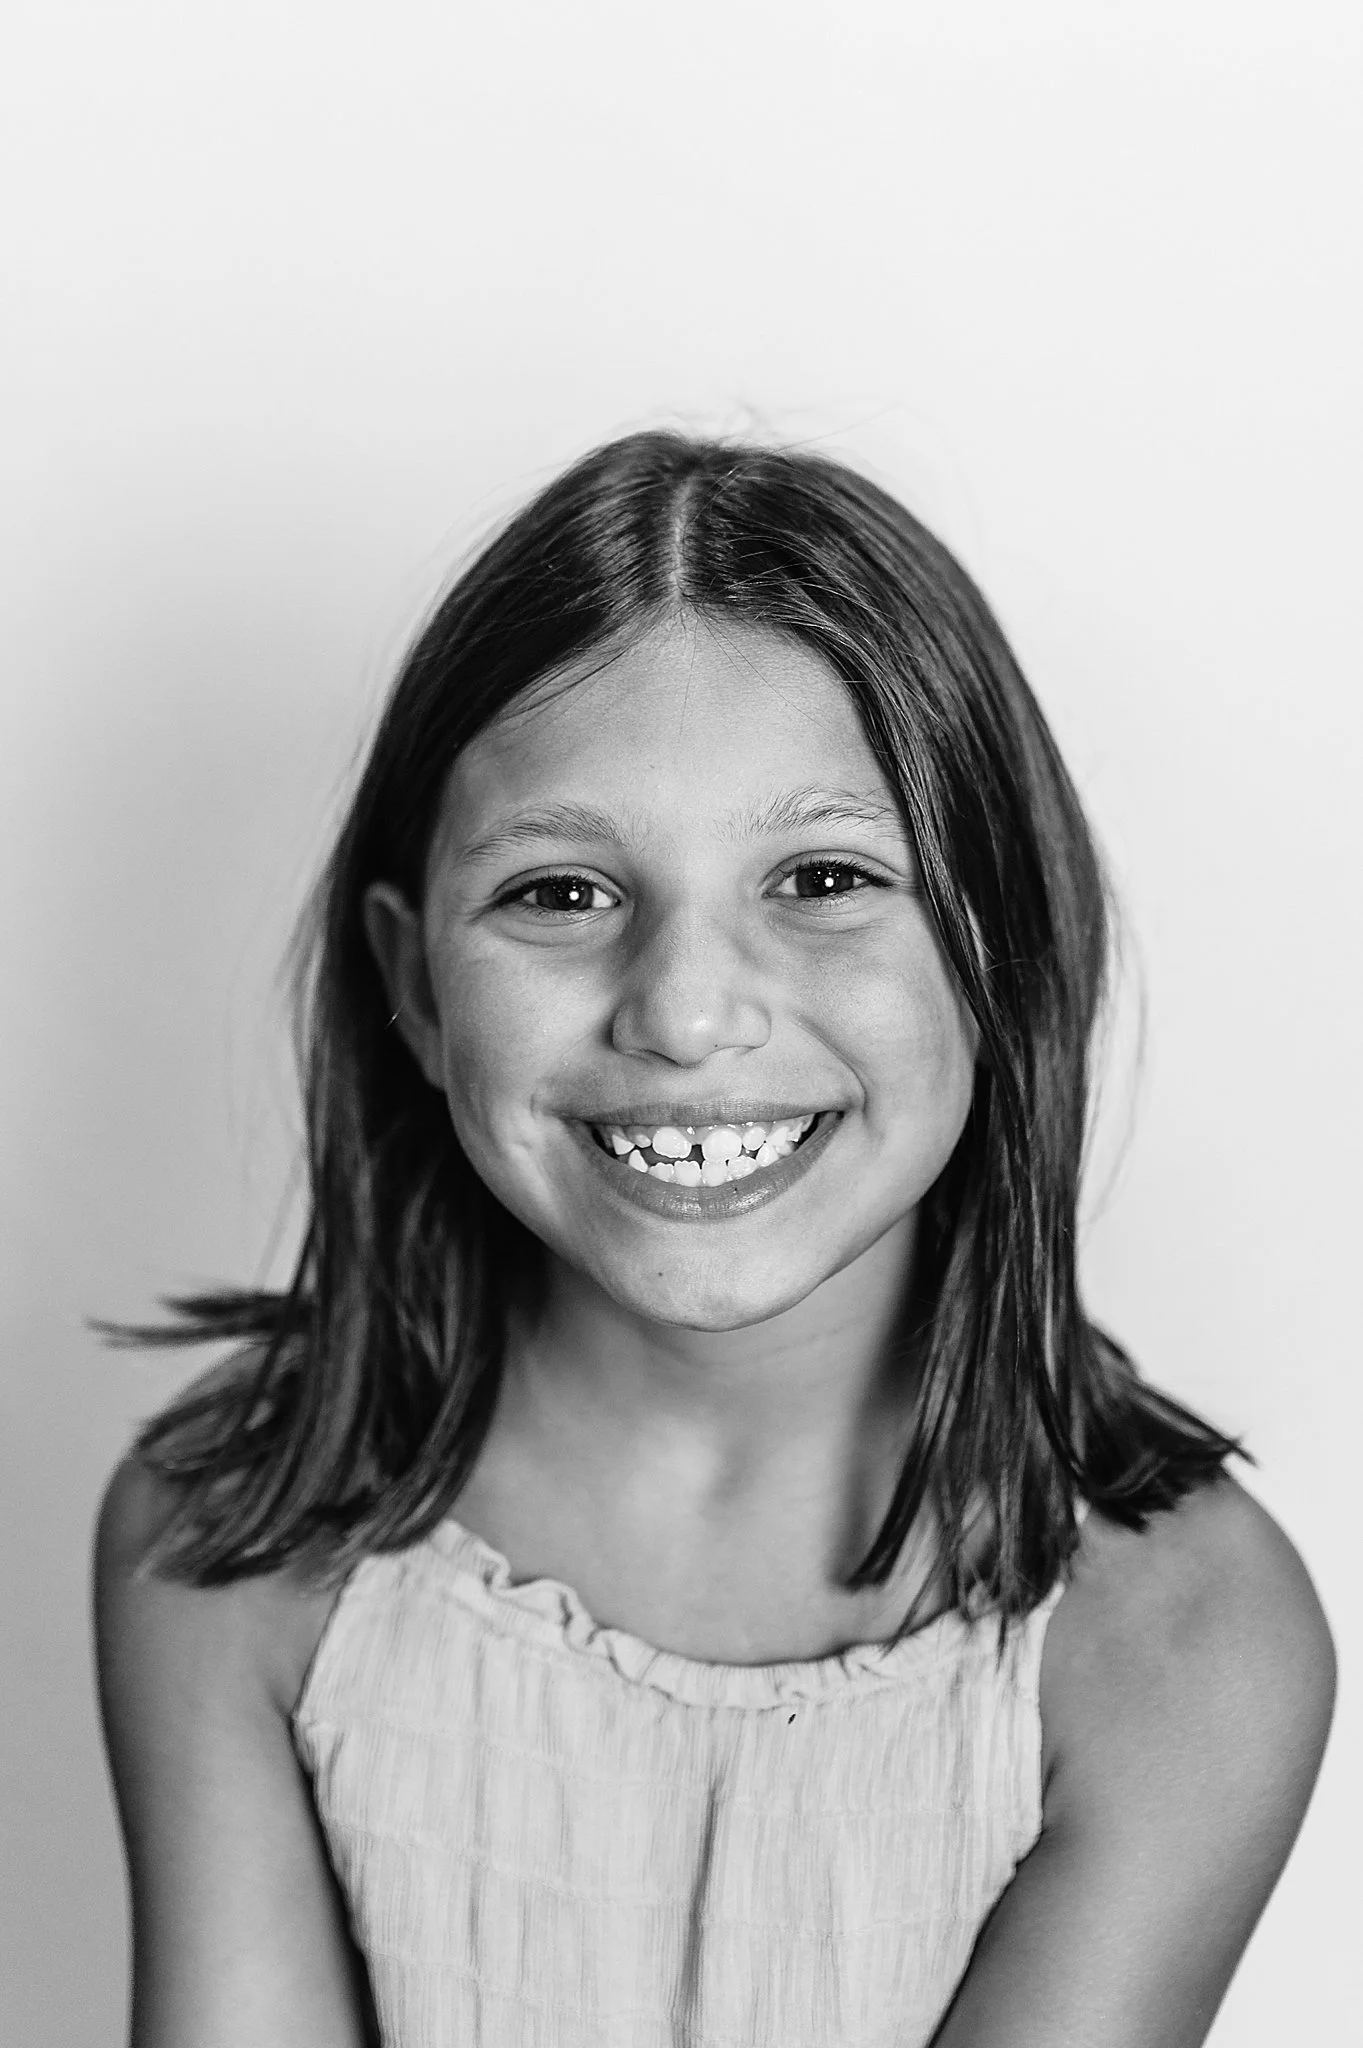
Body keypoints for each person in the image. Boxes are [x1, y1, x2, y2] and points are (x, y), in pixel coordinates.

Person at [94, 431, 1335, 2048]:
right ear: (410, 982)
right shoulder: (230, 1545)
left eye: (821, 876)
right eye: (558, 894)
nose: (684, 1012)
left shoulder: (1177, 1648)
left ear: (1002, 949)